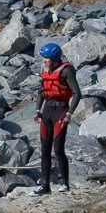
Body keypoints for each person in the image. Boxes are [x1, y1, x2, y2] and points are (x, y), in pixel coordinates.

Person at [33, 43, 80, 195]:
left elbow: (77, 93)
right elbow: (41, 92)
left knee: (58, 149)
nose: (44, 60)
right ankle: (45, 186)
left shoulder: (67, 70)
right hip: (47, 110)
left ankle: (65, 184)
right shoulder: (45, 71)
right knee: (45, 150)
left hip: (61, 110)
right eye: (43, 57)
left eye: (46, 57)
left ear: (54, 58)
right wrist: (37, 110)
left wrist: (69, 113)